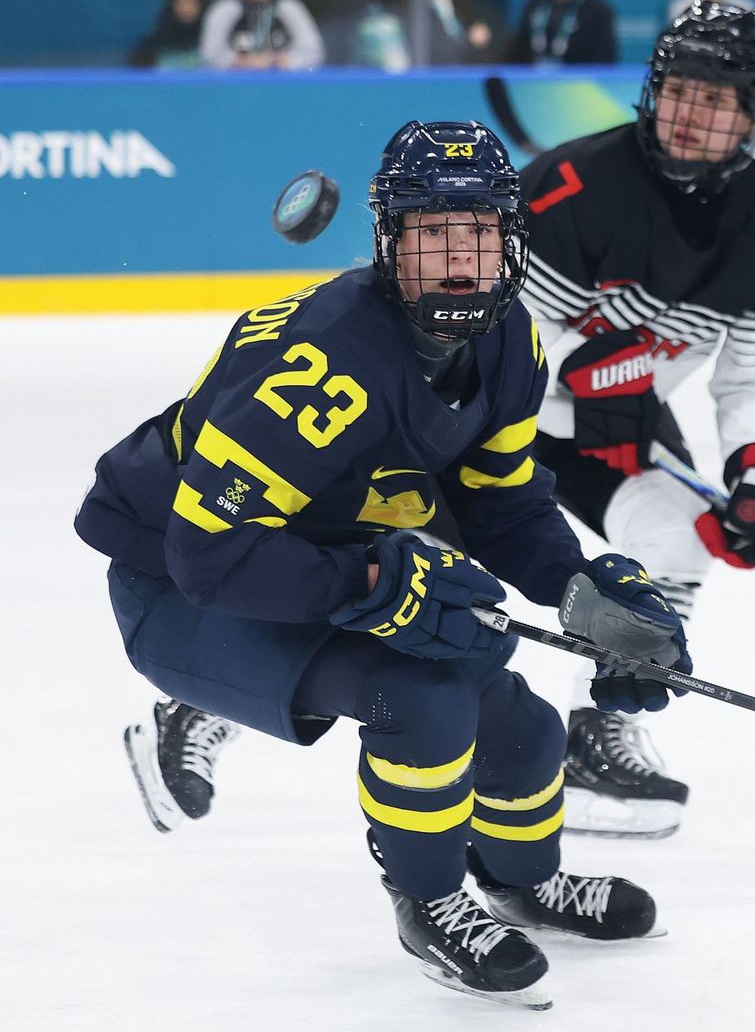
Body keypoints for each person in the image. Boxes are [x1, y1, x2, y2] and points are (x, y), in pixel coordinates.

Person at [76, 120, 691, 1008]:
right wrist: (373, 585)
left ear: (511, 242)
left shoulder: (511, 343)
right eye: (432, 233)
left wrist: (581, 588)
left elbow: (503, 502)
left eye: (477, 232)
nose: (458, 258)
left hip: (320, 544)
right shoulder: (322, 363)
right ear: (389, 242)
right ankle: (429, 901)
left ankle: (523, 884)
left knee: (523, 726)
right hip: (178, 586)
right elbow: (208, 554)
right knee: (423, 699)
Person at [515, 1, 755, 838]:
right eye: (680, 90)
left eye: (715, 99)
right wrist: (579, 369)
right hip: (480, 421)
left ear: (754, 114)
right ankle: (212, 697)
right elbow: (489, 341)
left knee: (678, 539)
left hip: (612, 426)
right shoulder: (573, 188)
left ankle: (595, 732)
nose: (689, 113)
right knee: (388, 559)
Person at [199, 0, 324, 70]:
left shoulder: (290, 7)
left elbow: (314, 52)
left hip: (282, 83)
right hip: (236, 84)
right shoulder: (225, 9)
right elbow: (209, 54)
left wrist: (289, 60)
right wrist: (241, 61)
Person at [503, 0, 616, 65]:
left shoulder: (599, 12)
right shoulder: (534, 6)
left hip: (579, 82)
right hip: (535, 82)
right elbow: (516, 58)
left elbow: (603, 69)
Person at [130, 0, 206, 68]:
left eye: (191, 1)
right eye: (180, 0)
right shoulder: (150, 47)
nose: (186, 7)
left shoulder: (210, 40)